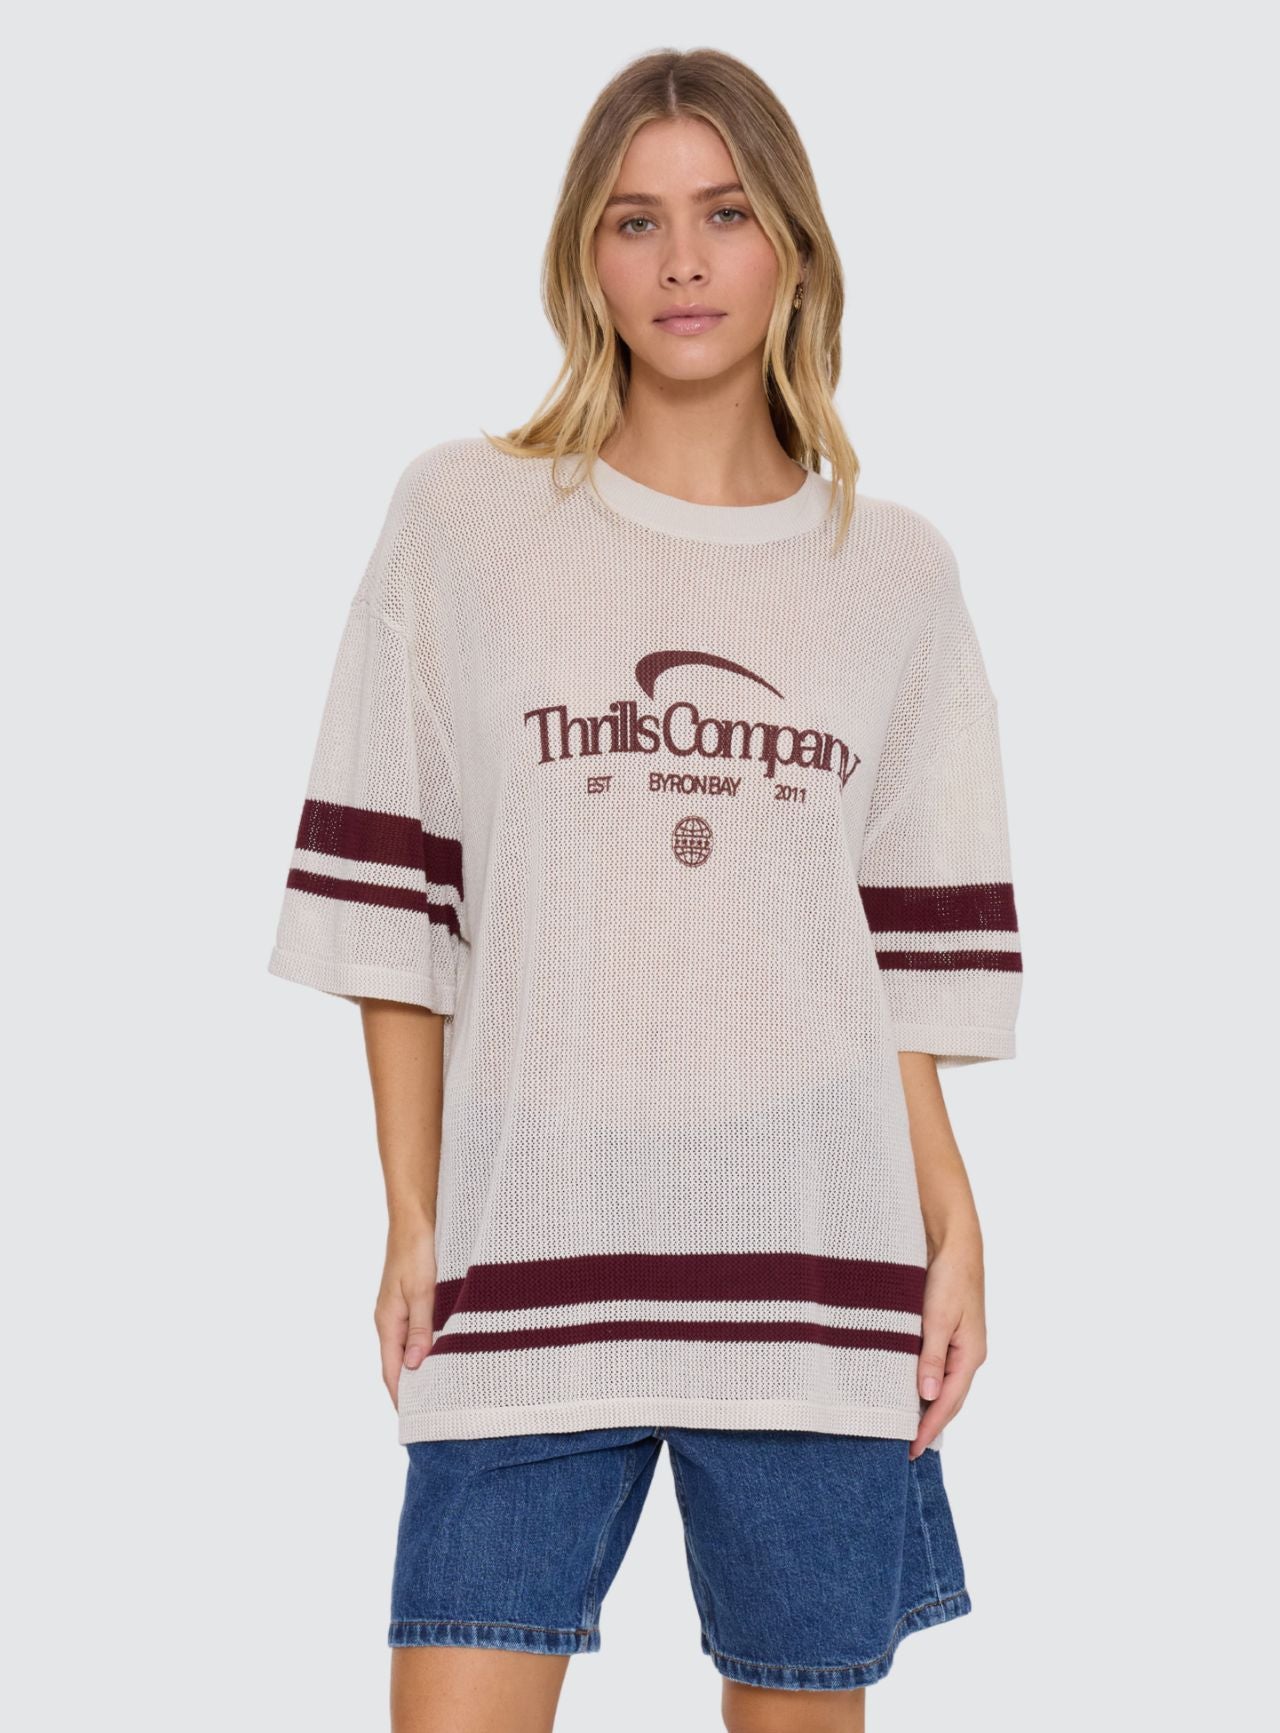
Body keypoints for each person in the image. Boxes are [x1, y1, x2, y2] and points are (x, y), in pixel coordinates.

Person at [267, 46, 1023, 1733]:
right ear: (584, 257)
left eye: (726, 214)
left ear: (794, 248)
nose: (683, 261)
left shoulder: (892, 570)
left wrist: (953, 1214)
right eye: (636, 220)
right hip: (533, 1241)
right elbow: (398, 899)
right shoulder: (465, 519)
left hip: (815, 1254)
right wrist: (412, 1212)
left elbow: (897, 956)